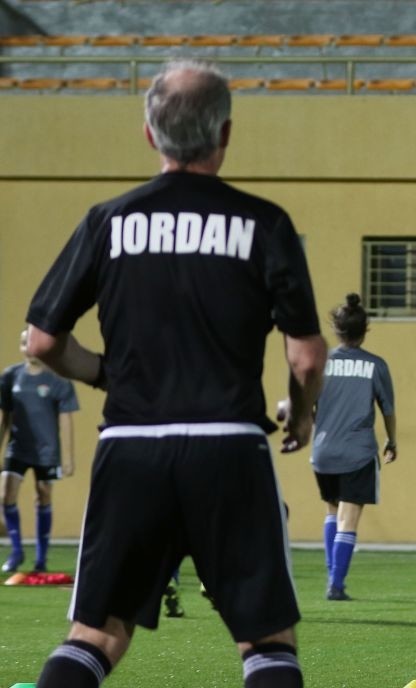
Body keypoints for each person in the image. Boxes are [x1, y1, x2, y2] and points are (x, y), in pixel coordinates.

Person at [25, 60, 327, 688]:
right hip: (229, 450)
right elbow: (306, 357)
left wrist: (107, 375)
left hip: (131, 447)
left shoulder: (108, 220)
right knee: (267, 643)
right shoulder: (264, 222)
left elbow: (44, 341)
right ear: (225, 134)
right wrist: (300, 417)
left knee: (96, 637)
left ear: (149, 134)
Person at [298, 292, 397, 602]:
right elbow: (387, 408)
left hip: (323, 452)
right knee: (348, 518)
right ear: (365, 329)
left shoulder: (321, 364)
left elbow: (307, 406)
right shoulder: (375, 365)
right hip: (357, 452)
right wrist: (392, 440)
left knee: (332, 511)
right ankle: (336, 585)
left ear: (337, 329)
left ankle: (333, 577)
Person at [0, 329, 79, 574]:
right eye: (23, 342)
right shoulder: (10, 376)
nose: (28, 347)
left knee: (44, 495)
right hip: (17, 448)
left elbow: (66, 419)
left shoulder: (58, 380)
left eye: (31, 342)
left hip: (47, 451)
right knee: (5, 494)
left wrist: (68, 457)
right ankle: (16, 551)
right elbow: (4, 416)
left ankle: (41, 558)